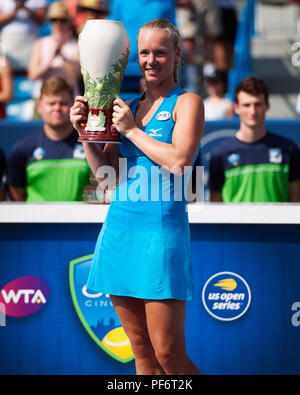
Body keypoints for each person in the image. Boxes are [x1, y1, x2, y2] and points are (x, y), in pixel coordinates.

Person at [70, 18, 204, 375]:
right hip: (119, 234)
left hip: (160, 237)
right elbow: (107, 178)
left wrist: (131, 130)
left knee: (169, 355)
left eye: (160, 52)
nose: (151, 60)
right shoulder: (126, 105)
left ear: (177, 54)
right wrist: (84, 134)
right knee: (142, 355)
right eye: (144, 52)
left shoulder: (187, 103)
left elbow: (179, 161)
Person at [209, 76, 300, 202]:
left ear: (267, 105)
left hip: (278, 222)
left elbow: (295, 204)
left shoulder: (288, 149)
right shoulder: (220, 153)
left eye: (258, 104)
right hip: (234, 222)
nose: (253, 111)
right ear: (236, 108)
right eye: (246, 105)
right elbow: (215, 205)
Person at [7, 77, 91, 202]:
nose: (57, 108)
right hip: (35, 221)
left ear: (73, 106)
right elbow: (16, 194)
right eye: (51, 103)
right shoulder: (22, 148)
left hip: (81, 220)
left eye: (62, 103)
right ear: (40, 107)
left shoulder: (90, 145)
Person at [28, 1, 81, 101]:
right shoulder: (40, 43)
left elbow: (75, 76)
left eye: (62, 20)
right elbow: (33, 75)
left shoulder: (77, 45)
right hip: (44, 99)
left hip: (69, 99)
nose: (58, 24)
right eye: (54, 20)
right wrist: (52, 57)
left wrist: (61, 55)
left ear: (68, 22)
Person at [0, 0, 47, 74]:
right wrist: (15, 10)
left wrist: (25, 8)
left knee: (31, 71)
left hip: (30, 40)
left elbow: (42, 20)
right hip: (7, 40)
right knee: (5, 70)